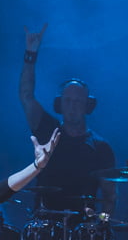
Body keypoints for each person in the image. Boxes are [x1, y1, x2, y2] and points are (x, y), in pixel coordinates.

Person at [19, 23, 117, 215]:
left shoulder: (101, 147)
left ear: (88, 106)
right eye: (68, 101)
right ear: (59, 104)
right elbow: (26, 96)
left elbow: (110, 196)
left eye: (78, 101)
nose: (73, 106)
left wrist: (101, 224)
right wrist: (31, 54)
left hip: (84, 227)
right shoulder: (47, 129)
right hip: (46, 223)